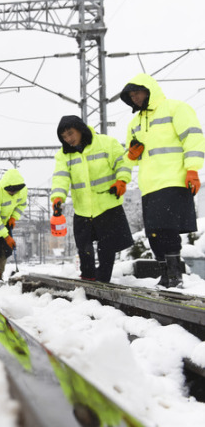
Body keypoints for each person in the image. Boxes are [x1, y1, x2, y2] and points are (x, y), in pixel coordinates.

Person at [120, 73, 205, 288]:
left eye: (138, 92)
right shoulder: (134, 123)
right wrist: (130, 157)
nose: (135, 98)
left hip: (173, 179)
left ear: (149, 90)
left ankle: (174, 274)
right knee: (154, 233)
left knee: (166, 229)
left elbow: (193, 137)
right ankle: (166, 274)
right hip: (149, 186)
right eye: (131, 95)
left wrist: (193, 169)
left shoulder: (175, 108)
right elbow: (131, 155)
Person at [50, 115, 133, 283]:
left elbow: (122, 163)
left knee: (107, 248)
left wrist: (122, 180)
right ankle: (87, 280)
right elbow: (61, 177)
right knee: (84, 247)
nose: (69, 139)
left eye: (71, 133)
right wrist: (58, 197)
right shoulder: (64, 155)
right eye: (64, 137)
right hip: (83, 208)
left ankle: (103, 281)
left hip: (107, 205)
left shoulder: (107, 143)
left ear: (80, 129)